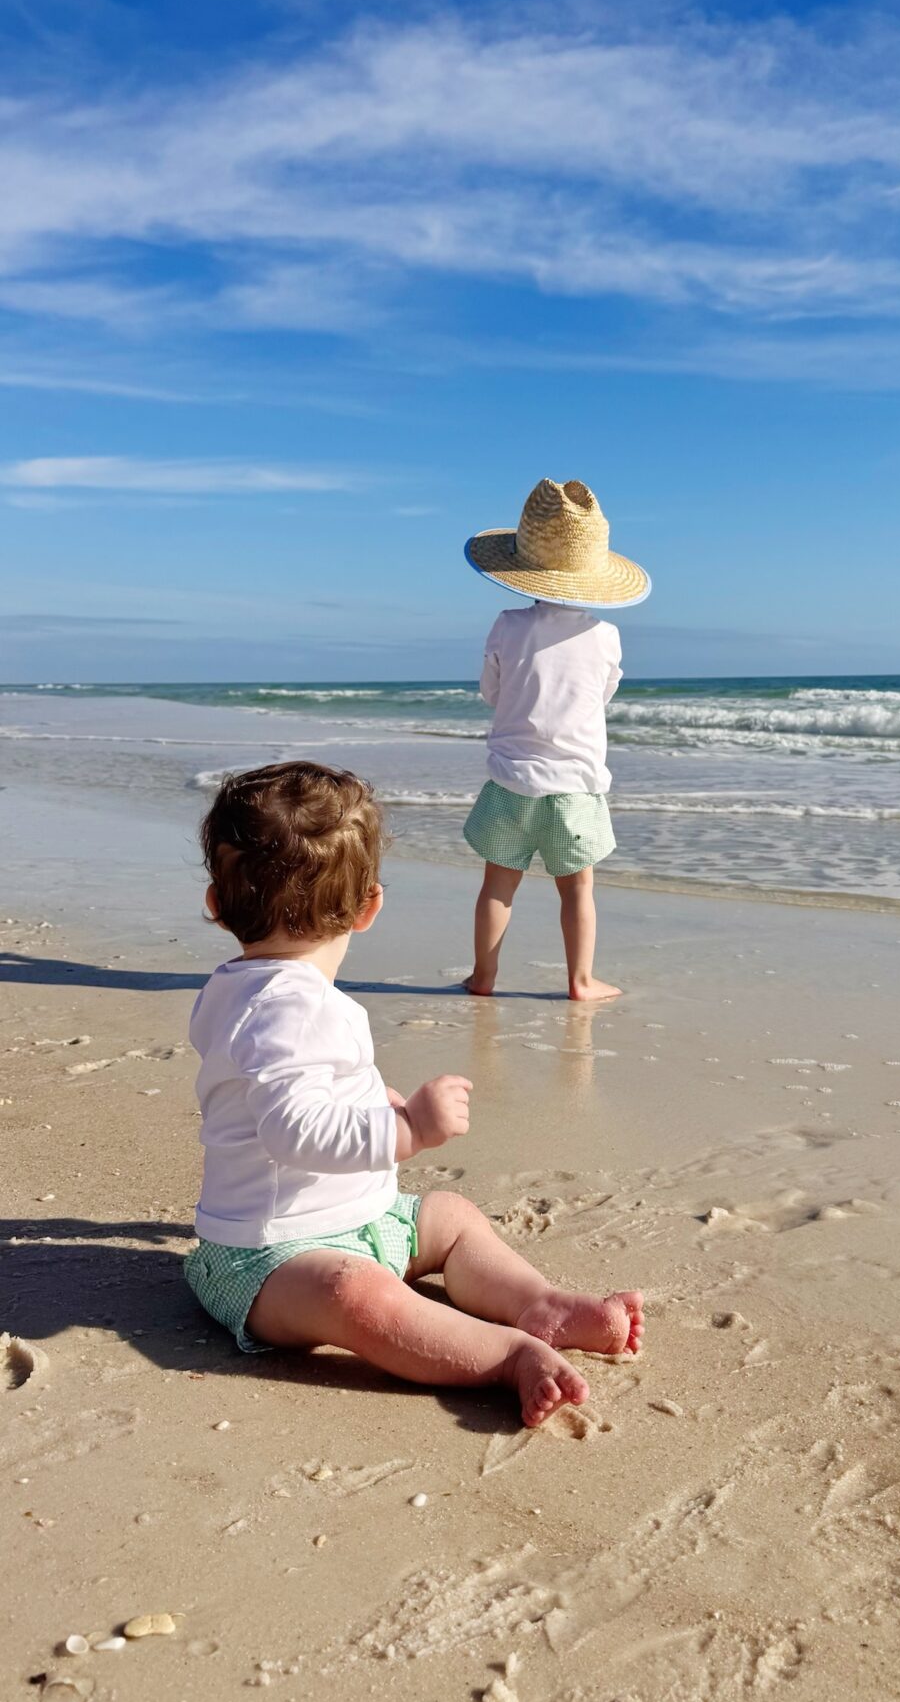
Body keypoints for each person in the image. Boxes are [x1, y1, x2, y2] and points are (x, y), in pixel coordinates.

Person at [183, 762, 643, 1427]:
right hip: (269, 1259)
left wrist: (374, 1104)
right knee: (358, 1296)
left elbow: (291, 1093)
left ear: (216, 903)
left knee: (450, 1216)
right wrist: (408, 1132)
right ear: (370, 906)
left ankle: (539, 1303)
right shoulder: (289, 1007)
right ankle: (507, 1355)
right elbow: (290, 1131)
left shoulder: (244, 991)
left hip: (364, 1218)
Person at [461, 477, 651, 1001]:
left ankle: (484, 977)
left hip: (510, 780)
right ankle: (580, 981)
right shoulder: (606, 636)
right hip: (575, 784)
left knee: (498, 885)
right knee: (578, 889)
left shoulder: (507, 623)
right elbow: (602, 694)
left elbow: (491, 691)